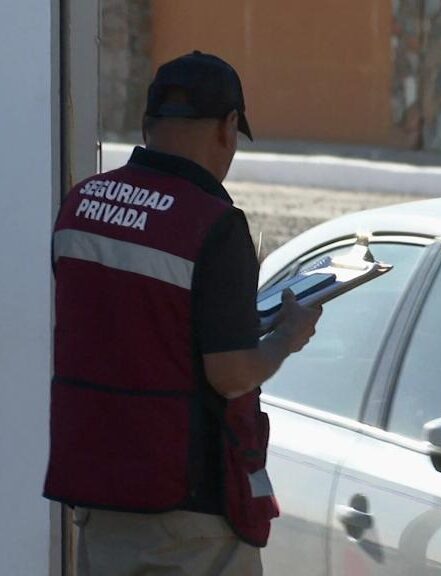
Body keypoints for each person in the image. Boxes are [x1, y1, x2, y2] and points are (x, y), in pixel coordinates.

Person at [43, 51, 321, 575]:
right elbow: (231, 373)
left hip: (99, 492)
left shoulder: (80, 206)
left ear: (148, 124)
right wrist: (285, 335)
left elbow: (128, 322)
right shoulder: (212, 222)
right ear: (229, 127)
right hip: (188, 511)